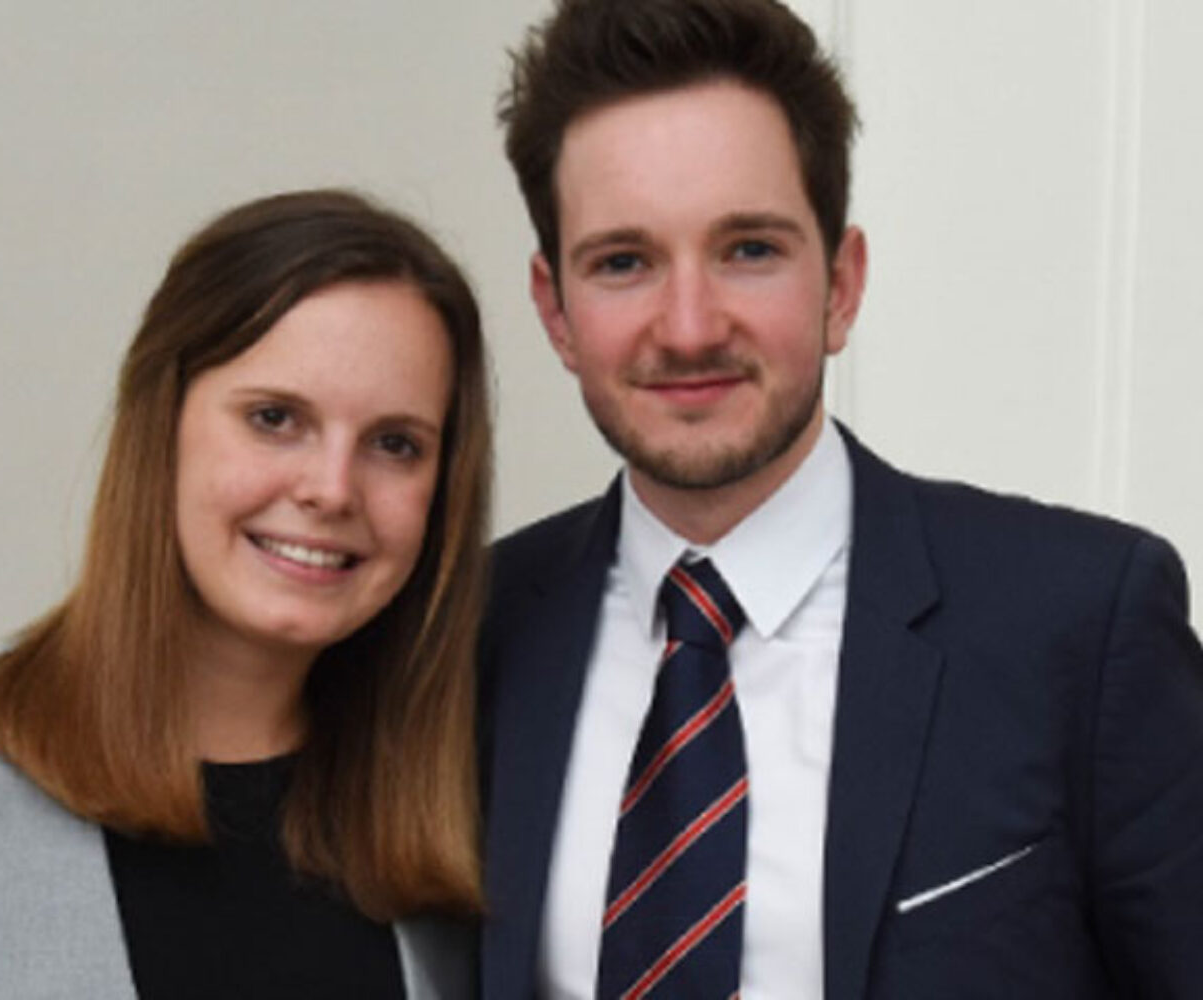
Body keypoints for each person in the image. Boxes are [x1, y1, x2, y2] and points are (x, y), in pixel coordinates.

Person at [478, 1, 1203, 998]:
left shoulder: (1082, 623)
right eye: (623, 263)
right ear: (555, 310)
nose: (688, 327)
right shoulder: (476, 633)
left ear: (842, 284)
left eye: (748, 249)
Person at [0, 189, 491, 999]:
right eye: (274, 418)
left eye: (395, 444)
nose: (331, 489)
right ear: (161, 424)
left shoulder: (451, 819)